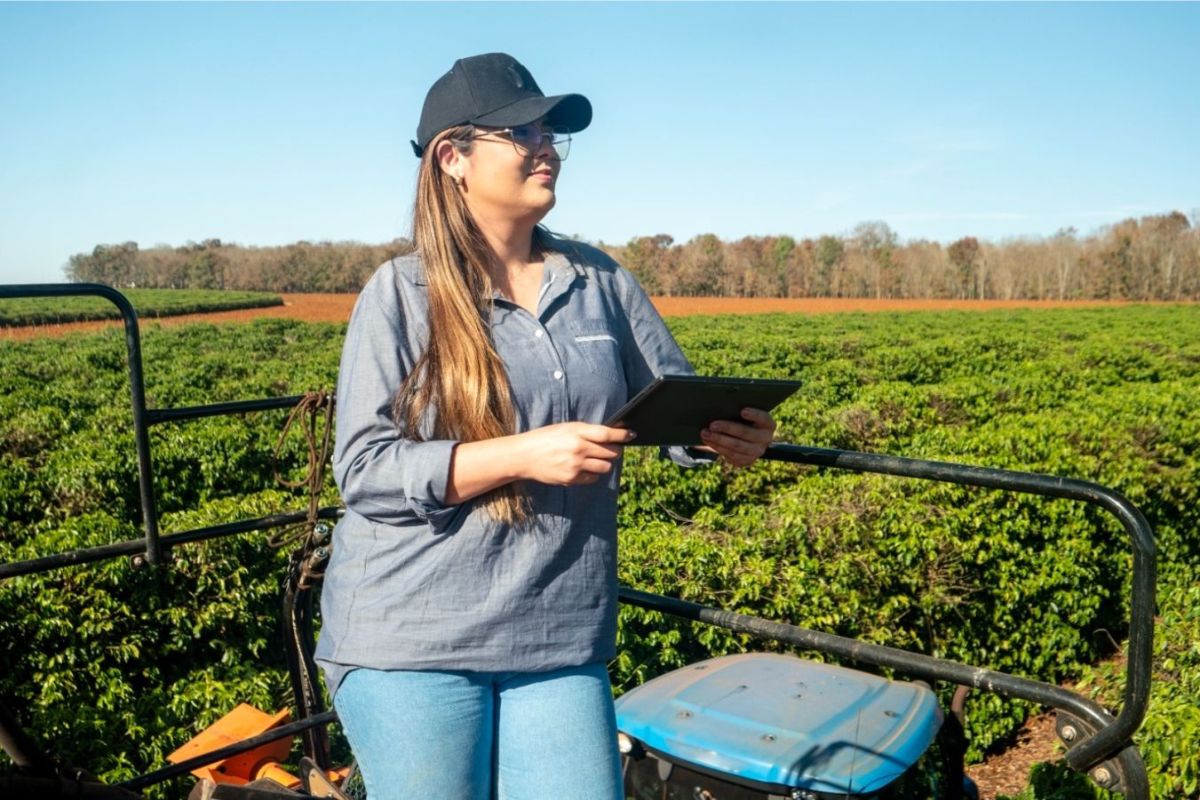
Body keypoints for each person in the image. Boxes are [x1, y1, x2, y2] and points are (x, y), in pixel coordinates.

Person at [314, 52, 776, 800]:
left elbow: (670, 402)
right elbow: (365, 470)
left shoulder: (599, 280)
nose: (546, 146)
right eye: (520, 130)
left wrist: (717, 435)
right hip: (411, 639)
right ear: (452, 157)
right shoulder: (400, 294)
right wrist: (519, 455)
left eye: (550, 131)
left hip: (557, 636)